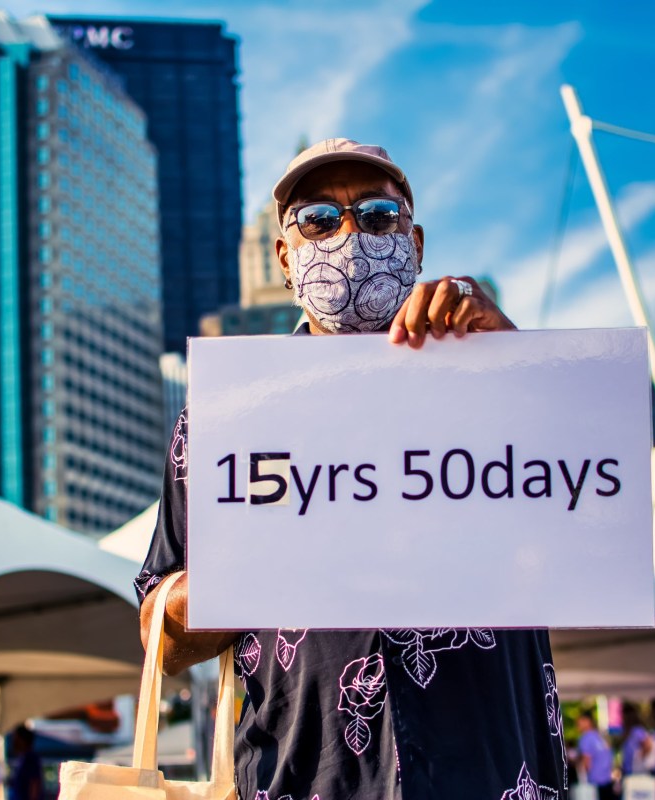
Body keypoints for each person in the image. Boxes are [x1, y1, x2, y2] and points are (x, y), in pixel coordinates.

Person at [137, 138, 567, 799]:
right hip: (306, 781)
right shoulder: (229, 413)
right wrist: (276, 543)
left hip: (492, 775)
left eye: (375, 215)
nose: (349, 236)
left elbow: (593, 529)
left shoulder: (496, 378)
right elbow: (158, 634)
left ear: (415, 243)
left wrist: (517, 367)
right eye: (318, 219)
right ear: (285, 256)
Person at [576, 710, 617, 800]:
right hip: (607, 780)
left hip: (594, 783)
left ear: (587, 721)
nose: (577, 724)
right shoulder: (599, 736)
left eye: (579, 721)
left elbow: (586, 763)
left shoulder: (586, 738)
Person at [7, 725, 42, 800]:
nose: (13, 742)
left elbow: (35, 783)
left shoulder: (31, 758)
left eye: (15, 738)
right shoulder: (22, 758)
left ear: (22, 740)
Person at [620, 702, 654, 780]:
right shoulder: (628, 731)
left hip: (636, 772)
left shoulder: (637, 730)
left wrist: (639, 758)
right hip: (628, 770)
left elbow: (648, 745)